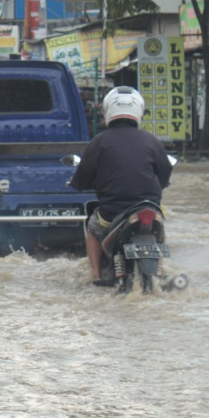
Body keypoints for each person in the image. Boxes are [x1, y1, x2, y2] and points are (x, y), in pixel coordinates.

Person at [69, 86, 173, 286]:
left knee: (92, 227)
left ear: (108, 110)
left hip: (112, 213)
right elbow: (165, 174)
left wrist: (77, 184)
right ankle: (159, 271)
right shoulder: (152, 141)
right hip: (149, 207)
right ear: (139, 110)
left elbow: (82, 177)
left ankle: (96, 276)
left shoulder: (99, 142)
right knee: (159, 228)